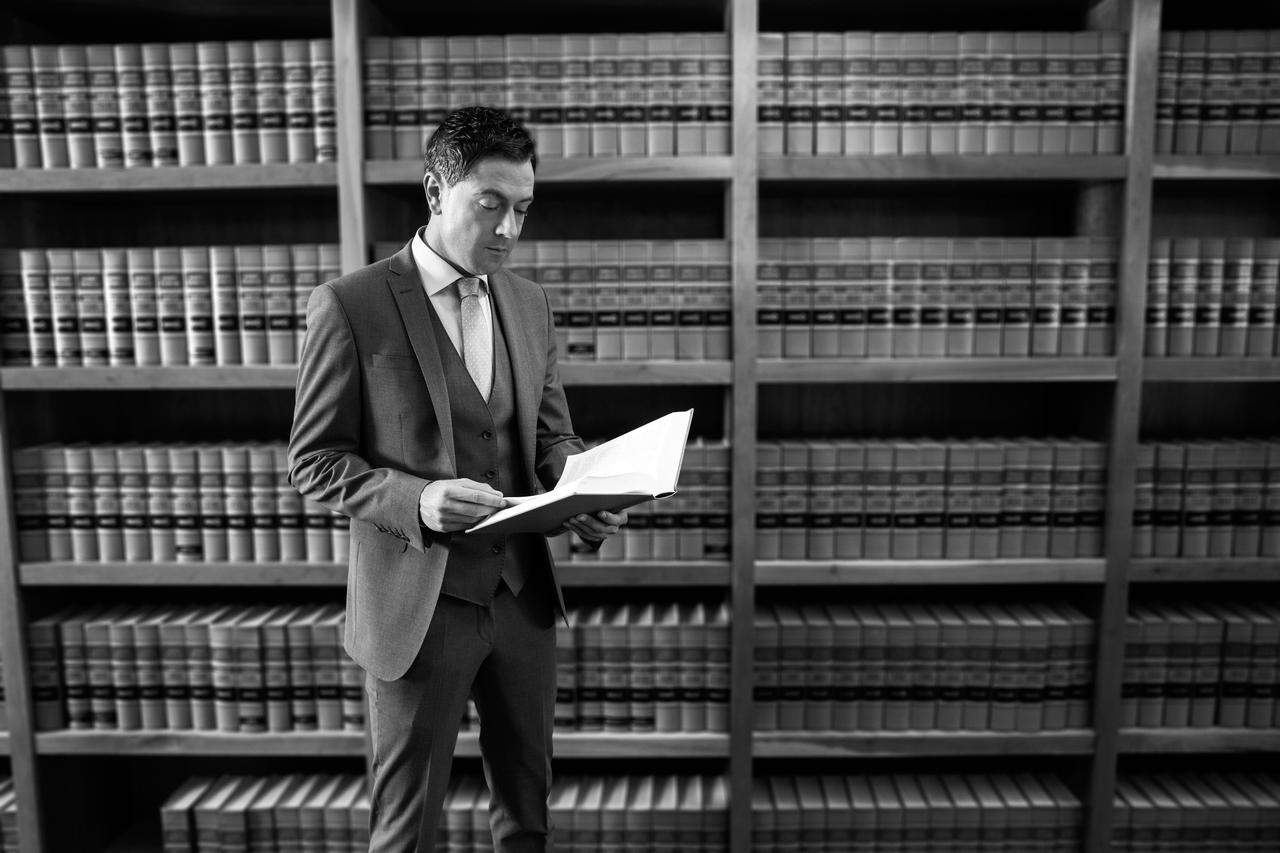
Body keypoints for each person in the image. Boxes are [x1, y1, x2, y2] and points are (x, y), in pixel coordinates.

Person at [288, 105, 626, 852]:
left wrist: (587, 492)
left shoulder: (529, 302)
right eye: (492, 205)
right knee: (407, 830)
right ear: (437, 192)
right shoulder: (351, 305)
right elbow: (312, 460)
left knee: (527, 819)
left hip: (520, 600)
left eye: (524, 210)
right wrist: (418, 498)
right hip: (417, 608)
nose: (510, 229)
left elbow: (550, 437)